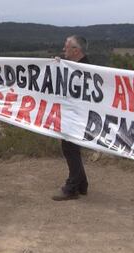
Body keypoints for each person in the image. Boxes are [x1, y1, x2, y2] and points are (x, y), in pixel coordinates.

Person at [52, 35, 89, 201]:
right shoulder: (74, 66)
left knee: (70, 149)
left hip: (78, 117)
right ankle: (82, 184)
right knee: (72, 149)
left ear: (76, 50)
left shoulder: (86, 69)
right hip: (73, 115)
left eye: (66, 47)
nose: (63, 49)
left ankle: (72, 187)